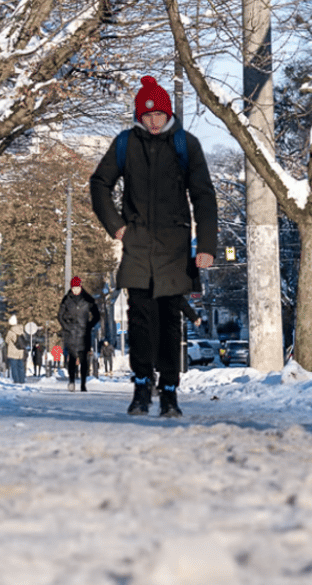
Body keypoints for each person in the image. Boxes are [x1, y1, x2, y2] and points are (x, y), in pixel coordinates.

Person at [90, 75, 218, 417]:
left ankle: (171, 391)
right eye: (147, 116)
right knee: (142, 321)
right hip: (138, 246)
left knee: (170, 321)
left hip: (175, 248)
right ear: (139, 116)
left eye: (159, 114)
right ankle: (142, 386)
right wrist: (116, 226)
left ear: (168, 113)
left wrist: (205, 245)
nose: (154, 121)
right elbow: (100, 183)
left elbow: (204, 195)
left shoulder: (185, 144)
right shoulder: (124, 144)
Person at [59, 276, 101, 391]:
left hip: (84, 333)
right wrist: (67, 327)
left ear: (80, 287)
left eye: (77, 288)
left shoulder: (88, 299)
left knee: (84, 360)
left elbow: (96, 315)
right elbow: (60, 316)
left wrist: (89, 325)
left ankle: (83, 383)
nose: (75, 290)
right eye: (73, 288)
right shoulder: (67, 299)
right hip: (71, 333)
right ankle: (71, 381)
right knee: (72, 358)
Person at [5, 318, 27, 384]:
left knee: (14, 367)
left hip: (13, 352)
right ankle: (22, 380)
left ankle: (16, 380)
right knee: (21, 367)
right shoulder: (21, 330)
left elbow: (7, 340)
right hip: (20, 352)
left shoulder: (10, 332)